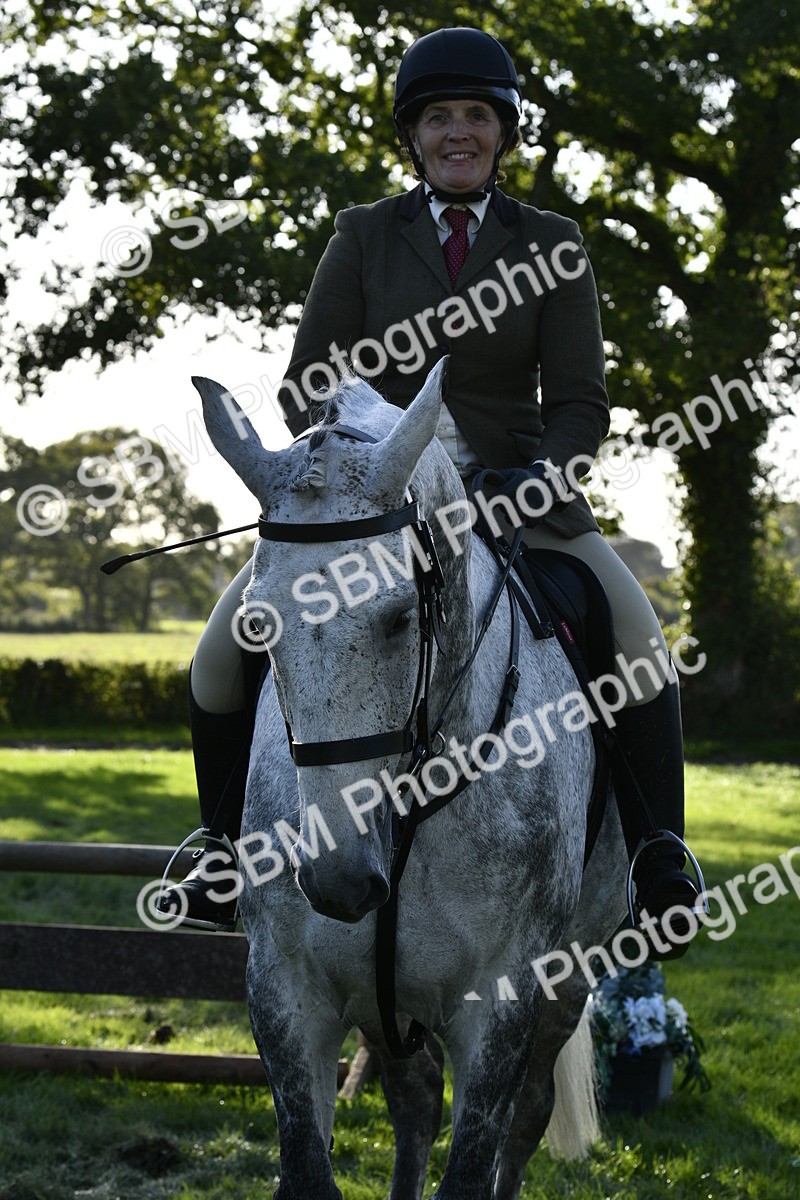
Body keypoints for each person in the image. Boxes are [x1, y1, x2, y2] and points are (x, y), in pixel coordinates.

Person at [160, 26, 701, 959]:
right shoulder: (363, 235)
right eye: (440, 116)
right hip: (375, 501)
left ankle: (659, 858)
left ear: (503, 132)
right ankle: (218, 844)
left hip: (516, 498)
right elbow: (305, 386)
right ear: (412, 135)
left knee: (640, 638)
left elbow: (581, 405)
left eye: (477, 116)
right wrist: (375, 444)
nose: (460, 132)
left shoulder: (554, 244)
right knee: (220, 651)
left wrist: (537, 480)